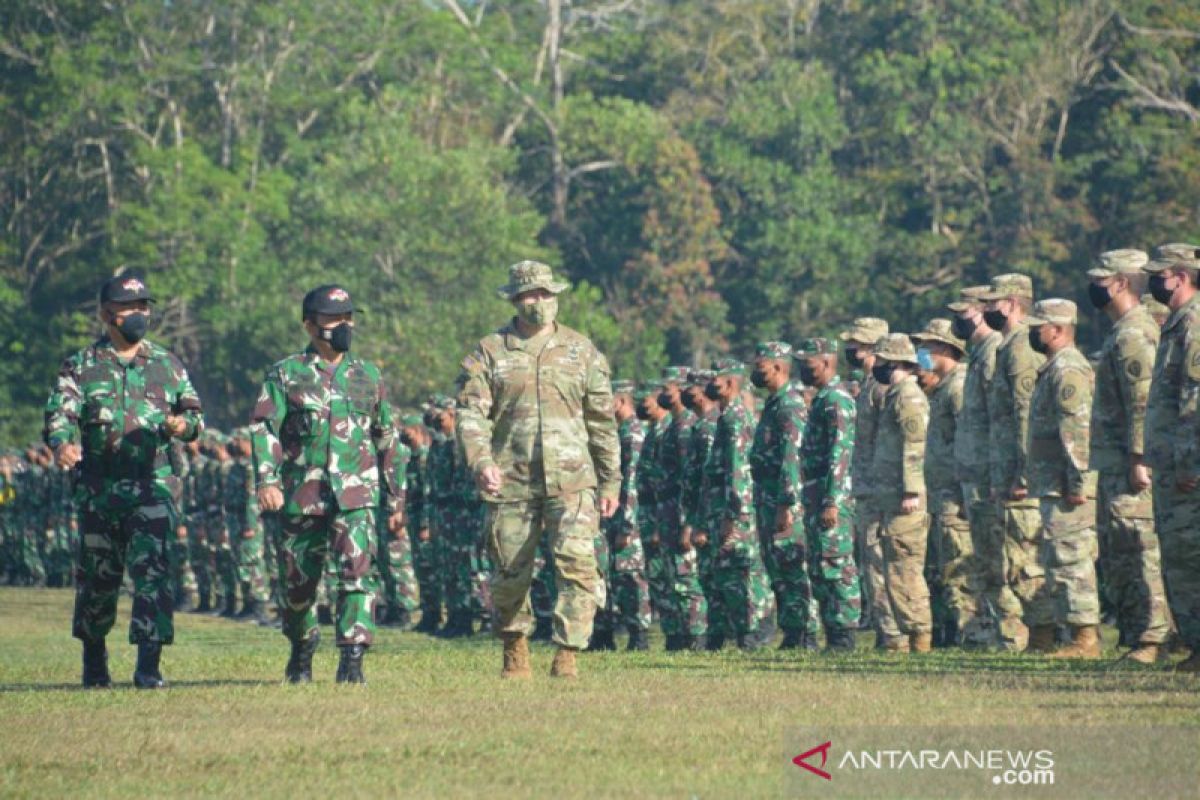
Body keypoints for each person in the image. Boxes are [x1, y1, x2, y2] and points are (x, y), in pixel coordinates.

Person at [456, 261, 620, 679]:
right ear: (513, 299)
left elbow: (602, 422)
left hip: (573, 480)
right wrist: (481, 461)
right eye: (530, 295)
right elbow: (470, 415)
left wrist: (611, 479)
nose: (539, 303)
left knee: (578, 564)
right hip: (511, 479)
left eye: (546, 294)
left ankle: (568, 651)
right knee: (510, 570)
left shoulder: (582, 352)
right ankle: (515, 646)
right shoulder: (489, 351)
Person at [44, 273, 204, 688]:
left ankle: (148, 665)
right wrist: (62, 445)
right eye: (130, 309)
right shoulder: (81, 366)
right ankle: (94, 660)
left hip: (155, 486)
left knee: (153, 573)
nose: (139, 315)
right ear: (106, 315)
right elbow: (59, 415)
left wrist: (180, 425)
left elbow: (195, 418)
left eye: (143, 308)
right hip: (100, 489)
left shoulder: (167, 365)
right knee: (99, 579)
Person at [250, 284, 404, 684]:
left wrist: (397, 498)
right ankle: (302, 645)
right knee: (298, 585)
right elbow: (265, 427)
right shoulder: (285, 374)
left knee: (358, 574)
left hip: (356, 496)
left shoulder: (368, 374)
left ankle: (352, 660)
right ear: (310, 325)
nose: (344, 325)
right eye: (334, 319)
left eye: (348, 318)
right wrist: (267, 480)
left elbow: (386, 437)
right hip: (304, 495)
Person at [1086, 249, 1170, 663]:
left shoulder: (1134, 334)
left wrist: (1140, 456)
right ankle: (1137, 635)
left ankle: (1152, 638)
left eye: (1102, 280)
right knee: (1119, 547)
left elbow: (1143, 399)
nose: (1095, 288)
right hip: (1115, 460)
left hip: (1129, 460)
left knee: (1139, 547)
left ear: (1120, 283)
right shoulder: (1121, 331)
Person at [1024, 299, 1101, 658]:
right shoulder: (1052, 367)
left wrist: (1079, 483)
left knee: (1073, 560)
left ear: (1057, 329)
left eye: (1037, 325)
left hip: (1067, 485)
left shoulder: (1068, 369)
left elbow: (1077, 431)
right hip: (1052, 482)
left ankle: (1085, 639)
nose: (1031, 331)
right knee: (1059, 560)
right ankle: (1071, 634)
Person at [1143, 243, 1200, 672]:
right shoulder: (1176, 325)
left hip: (1187, 470)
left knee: (1189, 556)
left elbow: (1193, 400)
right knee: (1178, 557)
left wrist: (1188, 463)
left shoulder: (1193, 324)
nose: (1153, 281)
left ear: (1180, 276)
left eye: (1160, 274)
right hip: (1172, 467)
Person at [980, 273, 1043, 651]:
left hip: (1020, 475)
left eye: (993, 303)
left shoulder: (1020, 347)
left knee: (1025, 558)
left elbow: (1024, 414)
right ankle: (1033, 634)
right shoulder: (1007, 345)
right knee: (1009, 558)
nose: (987, 310)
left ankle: (1045, 633)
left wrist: (1023, 470)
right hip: (1003, 473)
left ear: (1014, 304)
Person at [911, 318, 979, 647]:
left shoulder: (959, 386)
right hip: (940, 496)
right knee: (942, 572)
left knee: (959, 571)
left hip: (956, 495)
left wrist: (965, 491)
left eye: (926, 346)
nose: (920, 353)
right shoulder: (940, 389)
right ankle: (951, 635)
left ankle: (972, 635)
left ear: (945, 348)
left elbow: (966, 443)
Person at [792, 338, 861, 649]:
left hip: (832, 497)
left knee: (836, 566)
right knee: (820, 566)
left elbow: (840, 453)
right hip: (816, 495)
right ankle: (833, 634)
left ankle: (844, 635)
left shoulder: (836, 400)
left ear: (827, 363)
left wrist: (832, 501)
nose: (803, 369)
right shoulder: (821, 399)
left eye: (809, 363)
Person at [749, 341, 817, 650]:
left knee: (792, 566)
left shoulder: (789, 405)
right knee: (777, 567)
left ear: (778, 367)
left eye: (760, 365)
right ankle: (792, 632)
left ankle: (805, 633)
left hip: (783, 502)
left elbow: (793, 456)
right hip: (768, 498)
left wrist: (787, 505)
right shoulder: (774, 404)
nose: (755, 371)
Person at [870, 334, 933, 653]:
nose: (875, 366)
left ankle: (919, 636)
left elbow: (915, 445)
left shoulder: (908, 396)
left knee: (904, 569)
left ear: (894, 363)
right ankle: (911, 636)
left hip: (905, 500)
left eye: (880, 361)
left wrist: (911, 490)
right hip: (891, 496)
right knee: (895, 569)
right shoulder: (895, 394)